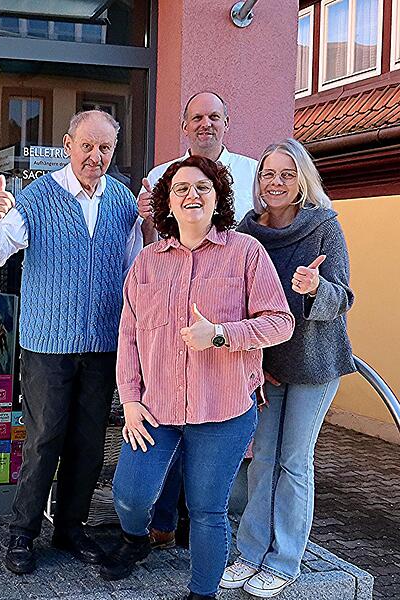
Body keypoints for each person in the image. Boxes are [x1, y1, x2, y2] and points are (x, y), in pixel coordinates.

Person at [101, 155, 294, 600]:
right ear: (167, 202)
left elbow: (280, 321)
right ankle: (137, 538)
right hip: (155, 409)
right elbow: (127, 336)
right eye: (181, 188)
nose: (192, 195)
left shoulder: (246, 253)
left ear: (217, 198)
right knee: (130, 495)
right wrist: (130, 400)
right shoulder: (147, 263)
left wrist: (222, 335)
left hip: (222, 409)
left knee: (207, 509)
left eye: (203, 187)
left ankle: (202, 593)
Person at [0, 110, 139, 574]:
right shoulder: (39, 196)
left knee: (88, 443)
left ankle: (70, 527)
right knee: (44, 439)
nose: (95, 156)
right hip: (48, 343)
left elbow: (135, 271)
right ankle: (22, 533)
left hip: (102, 344)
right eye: (87, 145)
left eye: (105, 147)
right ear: (68, 145)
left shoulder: (124, 203)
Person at [222, 139, 356, 598]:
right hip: (268, 365)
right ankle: (251, 553)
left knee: (294, 462)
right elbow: (239, 299)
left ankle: (284, 560)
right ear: (258, 182)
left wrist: (316, 287)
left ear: (302, 179)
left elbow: (345, 297)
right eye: (267, 174)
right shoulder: (248, 231)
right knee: (262, 459)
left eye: (286, 173)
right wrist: (255, 361)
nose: (275, 182)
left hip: (315, 364)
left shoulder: (324, 226)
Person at [140, 91, 258, 550]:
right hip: (173, 325)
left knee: (213, 431)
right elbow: (149, 247)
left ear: (227, 122)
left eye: (214, 117)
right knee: (172, 425)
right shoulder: (158, 177)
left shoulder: (251, 173)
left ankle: (203, 526)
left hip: (230, 332)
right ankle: (163, 521)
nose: (205, 124)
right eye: (196, 118)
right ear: (183, 125)